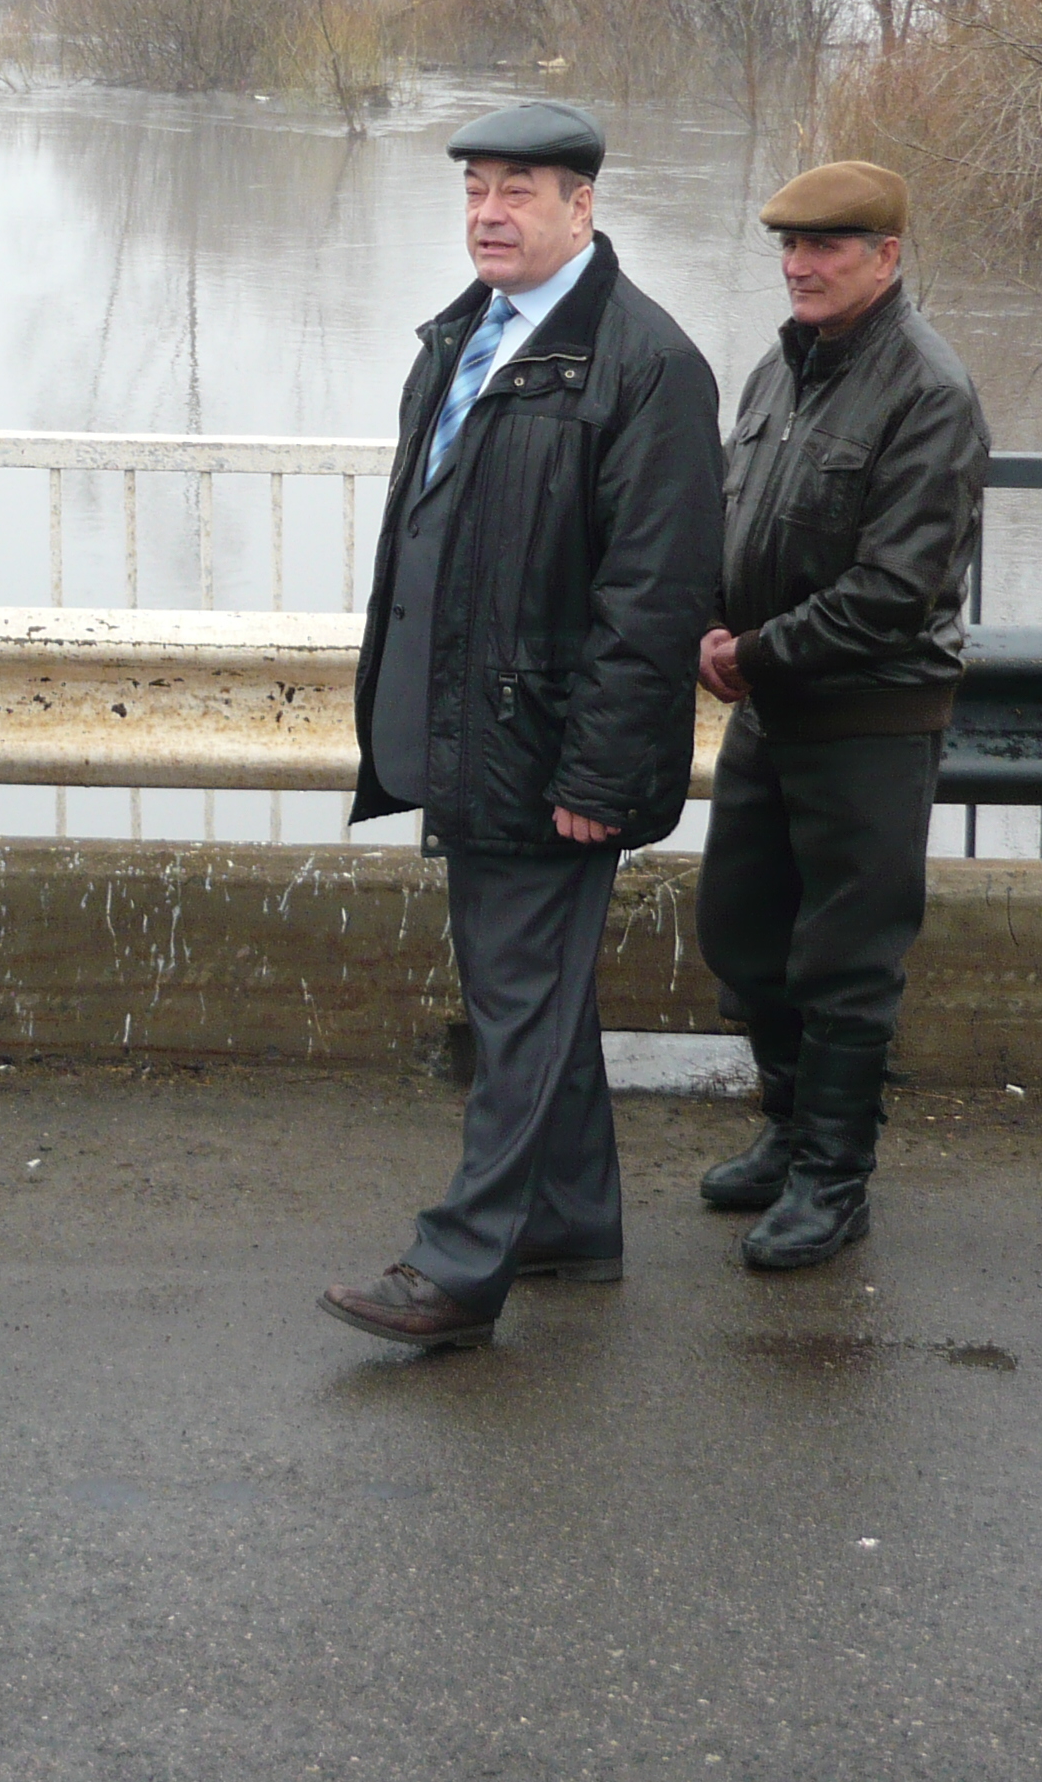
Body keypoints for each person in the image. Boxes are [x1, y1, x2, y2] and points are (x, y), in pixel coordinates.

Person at [323, 101, 722, 1349]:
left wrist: (597, 774)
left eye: (519, 192)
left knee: (517, 1001)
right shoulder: (463, 338)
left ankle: (460, 1268)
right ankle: (569, 1220)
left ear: (582, 208)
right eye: (475, 191)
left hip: (548, 749)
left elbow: (653, 598)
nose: (489, 214)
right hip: (472, 733)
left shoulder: (646, 366)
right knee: (530, 996)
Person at [691, 161, 987, 1271]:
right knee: (742, 933)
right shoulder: (783, 367)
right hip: (769, 706)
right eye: (790, 247)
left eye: (827, 248)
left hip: (870, 718)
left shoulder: (929, 390)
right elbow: (736, 521)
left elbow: (894, 591)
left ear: (887, 257)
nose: (800, 266)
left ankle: (834, 1178)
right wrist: (711, 626)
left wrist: (752, 652)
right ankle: (786, 1127)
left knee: (848, 962)